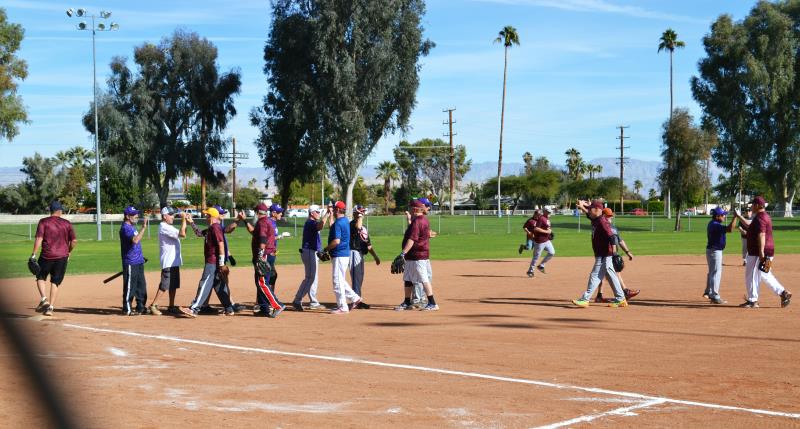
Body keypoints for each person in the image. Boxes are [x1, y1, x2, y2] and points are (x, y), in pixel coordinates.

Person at [733, 196, 792, 308]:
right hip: (766, 250)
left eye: (753, 204)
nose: (751, 206)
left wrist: (761, 252)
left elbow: (761, 235)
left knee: (751, 275)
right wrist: (739, 216)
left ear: (758, 205)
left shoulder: (760, 218)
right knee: (765, 274)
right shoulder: (762, 216)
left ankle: (753, 300)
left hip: (758, 252)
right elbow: (749, 225)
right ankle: (783, 293)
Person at [180, 207, 235, 317]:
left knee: (204, 283)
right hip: (214, 262)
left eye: (207, 215)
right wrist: (191, 223)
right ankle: (229, 309)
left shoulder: (215, 227)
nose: (205, 217)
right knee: (219, 286)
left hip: (213, 262)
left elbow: (221, 244)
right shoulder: (211, 228)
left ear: (212, 217)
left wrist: (221, 263)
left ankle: (194, 309)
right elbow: (199, 233)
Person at [572, 200, 627, 308]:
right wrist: (583, 206)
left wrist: (615, 253)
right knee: (611, 276)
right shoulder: (596, 219)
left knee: (595, 275)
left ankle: (585, 299)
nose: (589, 211)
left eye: (591, 209)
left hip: (604, 254)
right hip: (603, 254)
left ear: (597, 210)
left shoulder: (602, 222)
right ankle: (621, 299)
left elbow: (612, 237)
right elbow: (589, 213)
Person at [30, 200, 77, 317]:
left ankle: (44, 299)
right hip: (62, 257)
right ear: (60, 211)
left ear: (50, 211)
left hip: (47, 256)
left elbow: (39, 238)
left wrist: (33, 254)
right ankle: (50, 307)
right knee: (55, 282)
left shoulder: (43, 222)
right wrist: (68, 252)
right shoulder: (67, 223)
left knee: (40, 276)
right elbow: (74, 241)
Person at [395, 199, 438, 311]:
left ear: (414, 209)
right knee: (408, 278)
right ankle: (407, 301)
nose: (409, 209)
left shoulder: (417, 221)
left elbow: (412, 239)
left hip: (418, 256)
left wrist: (402, 253)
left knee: (423, 279)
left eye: (411, 207)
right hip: (413, 256)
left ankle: (432, 303)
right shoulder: (423, 220)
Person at [323, 201, 361, 314]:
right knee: (340, 280)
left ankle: (342, 307)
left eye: (334, 209)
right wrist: (330, 215)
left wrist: (325, 249)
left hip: (339, 254)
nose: (333, 210)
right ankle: (355, 298)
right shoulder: (344, 221)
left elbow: (336, 241)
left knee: (337, 281)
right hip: (343, 254)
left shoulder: (339, 223)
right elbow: (333, 227)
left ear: (338, 210)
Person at [148, 206, 188, 315]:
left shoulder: (169, 226)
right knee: (165, 285)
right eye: (170, 215)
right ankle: (153, 305)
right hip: (168, 261)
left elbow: (183, 232)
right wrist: (183, 219)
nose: (173, 217)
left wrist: (186, 221)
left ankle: (171, 306)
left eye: (173, 215)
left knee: (173, 285)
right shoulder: (164, 227)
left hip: (174, 261)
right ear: (164, 216)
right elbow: (182, 234)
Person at [248, 203, 285, 317]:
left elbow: (263, 240)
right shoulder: (267, 221)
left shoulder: (262, 222)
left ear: (257, 213)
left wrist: (260, 257)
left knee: (262, 282)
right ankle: (263, 308)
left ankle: (277, 305)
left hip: (264, 255)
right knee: (261, 282)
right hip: (268, 254)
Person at [594, 208, 638, 303]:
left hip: (607, 254)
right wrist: (614, 254)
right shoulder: (605, 227)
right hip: (607, 255)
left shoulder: (610, 227)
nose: (611, 218)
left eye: (611, 216)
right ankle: (625, 292)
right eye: (609, 216)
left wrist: (628, 252)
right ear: (603, 216)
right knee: (614, 273)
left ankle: (599, 296)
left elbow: (620, 240)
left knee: (603, 274)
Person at [292, 205, 330, 311]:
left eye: (319, 212)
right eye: (317, 212)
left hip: (312, 252)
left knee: (313, 277)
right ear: (311, 213)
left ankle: (313, 301)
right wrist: (327, 214)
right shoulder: (310, 222)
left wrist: (320, 250)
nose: (318, 213)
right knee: (310, 278)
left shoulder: (312, 222)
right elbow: (320, 226)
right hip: (309, 252)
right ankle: (297, 300)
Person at [348, 205, 381, 309]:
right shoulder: (352, 224)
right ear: (355, 213)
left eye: (363, 212)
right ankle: (356, 301)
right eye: (360, 212)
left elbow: (368, 245)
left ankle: (357, 299)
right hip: (353, 253)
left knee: (359, 278)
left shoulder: (364, 227)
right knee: (356, 278)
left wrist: (375, 256)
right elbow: (358, 226)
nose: (362, 213)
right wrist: (359, 216)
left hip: (361, 254)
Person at [703, 207, 738, 304]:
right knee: (716, 273)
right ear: (717, 216)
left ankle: (708, 292)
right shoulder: (715, 225)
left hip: (712, 251)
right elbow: (730, 229)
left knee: (712, 272)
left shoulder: (713, 223)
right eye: (723, 215)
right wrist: (735, 217)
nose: (724, 216)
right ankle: (715, 296)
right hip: (715, 251)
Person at [119, 205, 149, 316]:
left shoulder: (132, 227)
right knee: (130, 287)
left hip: (138, 261)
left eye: (136, 214)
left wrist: (141, 257)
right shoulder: (125, 228)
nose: (136, 216)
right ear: (127, 216)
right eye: (133, 214)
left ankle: (141, 307)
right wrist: (144, 228)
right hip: (130, 262)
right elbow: (135, 240)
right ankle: (127, 309)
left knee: (141, 286)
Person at [528, 208, 555, 276]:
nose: (550, 213)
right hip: (540, 241)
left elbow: (547, 227)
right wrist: (546, 232)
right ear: (544, 212)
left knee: (552, 252)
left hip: (546, 240)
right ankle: (530, 271)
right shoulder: (541, 218)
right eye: (548, 212)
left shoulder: (547, 219)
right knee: (536, 256)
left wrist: (550, 231)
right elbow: (536, 228)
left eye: (550, 212)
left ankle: (541, 265)